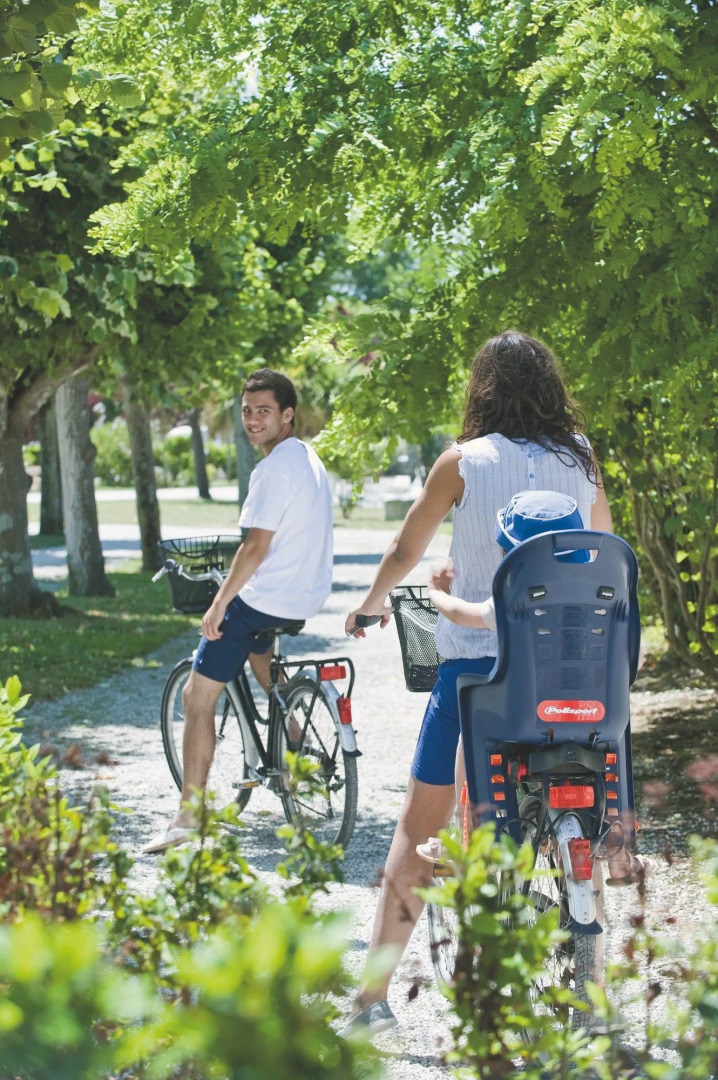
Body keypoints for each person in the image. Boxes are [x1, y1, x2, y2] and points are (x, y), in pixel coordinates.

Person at [341, 330, 648, 1038]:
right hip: (575, 673)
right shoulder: (581, 458)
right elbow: (599, 546)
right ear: (551, 387)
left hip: (481, 674)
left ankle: (371, 1003)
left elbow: (405, 547)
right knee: (587, 812)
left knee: (417, 831)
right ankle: (589, 982)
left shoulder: (463, 463)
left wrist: (372, 602)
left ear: (480, 388)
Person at [143, 368, 334, 855]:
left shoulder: (272, 469)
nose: (252, 420)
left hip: (267, 597)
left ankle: (189, 814)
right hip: (304, 595)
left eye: (264, 411)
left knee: (196, 696)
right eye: (247, 411)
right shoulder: (307, 458)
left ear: (287, 415)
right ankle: (294, 738)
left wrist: (220, 600)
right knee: (257, 653)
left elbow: (254, 547)